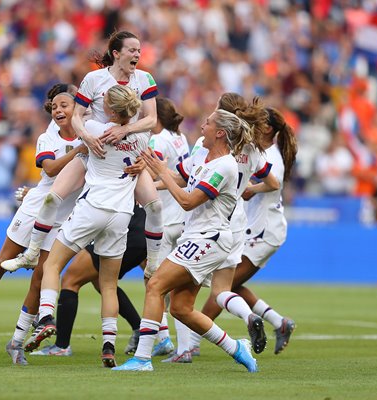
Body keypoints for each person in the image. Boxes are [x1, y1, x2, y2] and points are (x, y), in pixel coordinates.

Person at [2, 30, 163, 274]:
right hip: (93, 154)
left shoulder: (145, 79)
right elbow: (77, 117)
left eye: (139, 50)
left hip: (126, 156)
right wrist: (87, 138)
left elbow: (151, 120)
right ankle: (32, 252)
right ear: (116, 54)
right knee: (51, 198)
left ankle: (153, 264)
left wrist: (125, 131)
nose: (138, 54)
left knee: (155, 207)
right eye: (132, 50)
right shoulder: (94, 79)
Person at [113, 109, 258, 372]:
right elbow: (180, 178)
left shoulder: (225, 166)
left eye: (208, 122)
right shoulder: (202, 155)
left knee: (155, 283)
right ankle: (236, 348)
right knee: (181, 308)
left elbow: (188, 201)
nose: (202, 125)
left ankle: (143, 359)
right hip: (196, 237)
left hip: (209, 238)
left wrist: (160, 171)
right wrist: (144, 178)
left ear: (220, 133)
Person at [0, 84, 86, 365]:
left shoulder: (91, 131)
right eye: (55, 106)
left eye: (65, 105)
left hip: (62, 218)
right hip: (36, 208)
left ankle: (17, 342)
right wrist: (79, 150)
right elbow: (48, 169)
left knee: (41, 277)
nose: (59, 110)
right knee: (3, 260)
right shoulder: (48, 137)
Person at [23, 85, 150, 368]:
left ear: (112, 110)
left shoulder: (93, 127)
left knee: (52, 265)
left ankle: (45, 318)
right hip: (121, 216)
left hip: (91, 208)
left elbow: (78, 116)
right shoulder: (142, 136)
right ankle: (108, 347)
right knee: (108, 285)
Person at [183, 93, 280, 358]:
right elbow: (274, 183)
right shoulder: (251, 148)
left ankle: (183, 348)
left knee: (177, 288)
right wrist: (249, 189)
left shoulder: (209, 146)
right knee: (222, 290)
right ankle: (249, 316)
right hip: (236, 223)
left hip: (207, 221)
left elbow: (185, 177)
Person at [203, 107, 298, 354]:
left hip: (265, 230)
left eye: (258, 121)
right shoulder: (258, 151)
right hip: (253, 228)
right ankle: (280, 322)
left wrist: (251, 188)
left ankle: (192, 337)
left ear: (267, 129)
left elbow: (274, 184)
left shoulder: (272, 155)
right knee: (229, 284)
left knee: (222, 287)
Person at [31, 204, 147, 357]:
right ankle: (138, 329)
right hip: (141, 231)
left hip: (118, 226)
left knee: (71, 280)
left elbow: (72, 189)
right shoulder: (135, 179)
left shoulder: (99, 181)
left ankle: (61, 346)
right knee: (103, 283)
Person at [146, 97, 191, 358]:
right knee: (176, 286)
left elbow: (153, 174)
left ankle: (160, 338)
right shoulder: (179, 137)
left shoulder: (158, 140)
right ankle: (182, 346)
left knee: (155, 282)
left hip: (164, 218)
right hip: (182, 217)